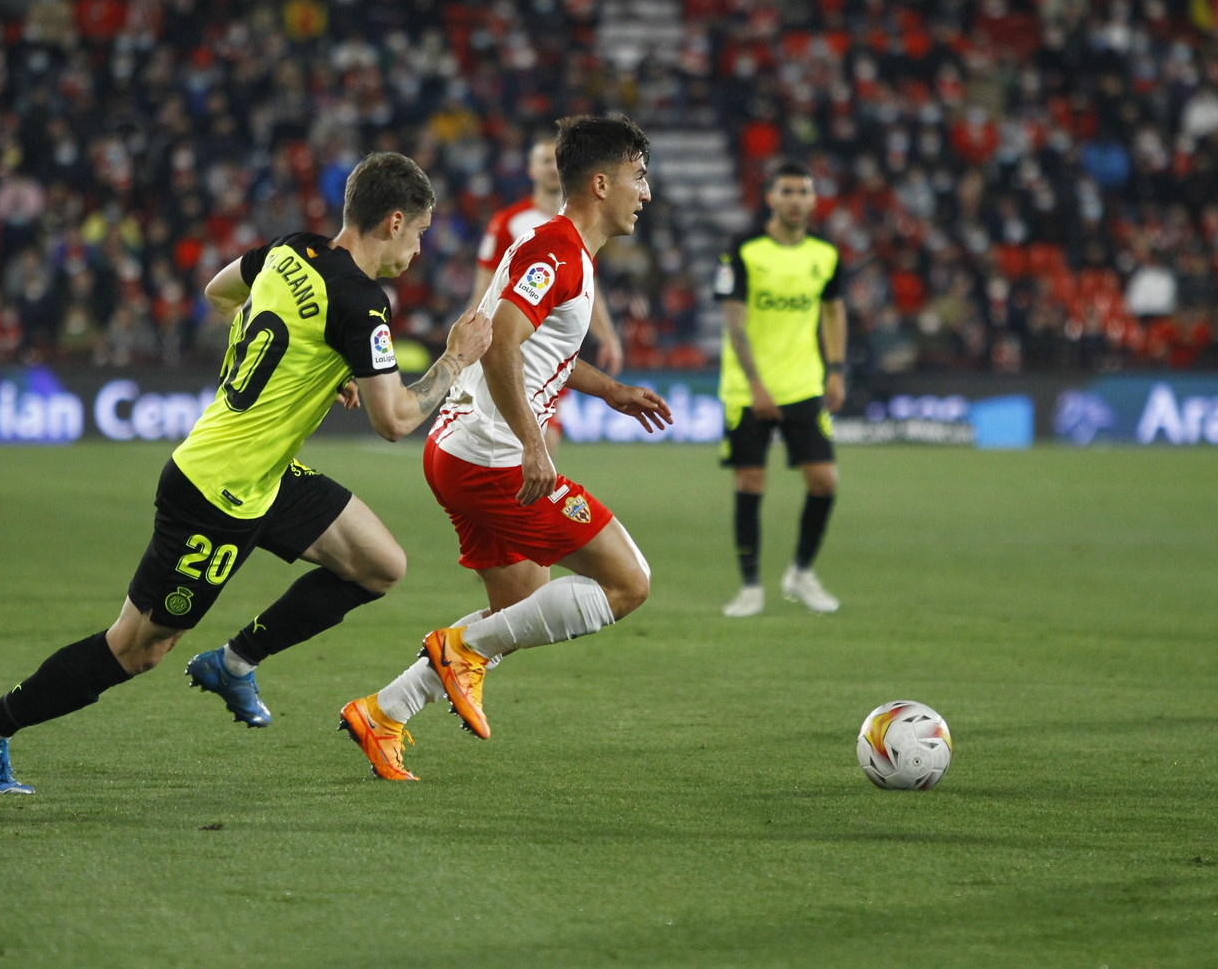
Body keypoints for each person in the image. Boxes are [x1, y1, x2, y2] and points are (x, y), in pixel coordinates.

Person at [0, 153, 493, 793]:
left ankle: (235, 662)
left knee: (378, 565)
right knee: (137, 649)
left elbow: (219, 292)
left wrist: (320, 366)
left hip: (265, 475)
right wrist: (455, 359)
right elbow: (396, 420)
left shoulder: (293, 251)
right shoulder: (361, 302)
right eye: (420, 232)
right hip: (215, 493)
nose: (420, 247)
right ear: (394, 221)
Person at [340, 115, 671, 780]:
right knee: (628, 583)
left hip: (458, 449)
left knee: (520, 608)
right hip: (489, 454)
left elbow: (536, 345)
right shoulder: (555, 250)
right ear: (601, 183)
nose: (648, 192)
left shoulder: (562, 249)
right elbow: (502, 344)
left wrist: (608, 389)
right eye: (639, 176)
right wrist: (533, 445)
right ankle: (456, 648)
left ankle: (384, 713)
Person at [715, 163, 846, 618]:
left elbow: (833, 311)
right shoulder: (744, 249)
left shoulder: (826, 253)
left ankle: (801, 573)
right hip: (747, 388)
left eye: (803, 192)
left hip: (803, 384)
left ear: (813, 200)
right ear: (770, 198)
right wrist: (755, 384)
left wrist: (836, 368)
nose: (795, 199)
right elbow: (733, 320)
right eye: (787, 191)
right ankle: (750, 585)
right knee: (751, 480)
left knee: (824, 480)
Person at [470, 129, 626, 457]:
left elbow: (587, 287)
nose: (552, 168)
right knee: (532, 443)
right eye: (544, 161)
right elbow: (485, 288)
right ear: (531, 170)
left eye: (557, 161)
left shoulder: (582, 226)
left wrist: (607, 336)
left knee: (545, 443)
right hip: (515, 343)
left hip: (554, 349)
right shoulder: (508, 223)